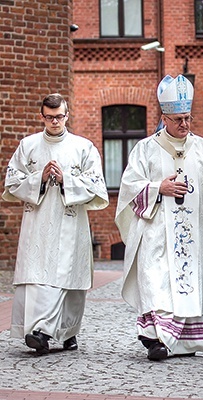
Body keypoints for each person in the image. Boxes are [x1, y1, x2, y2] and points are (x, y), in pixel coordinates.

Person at [115, 74, 203, 361]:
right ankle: (157, 339)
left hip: (194, 235)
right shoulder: (145, 149)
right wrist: (160, 187)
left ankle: (178, 343)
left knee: (188, 283)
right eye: (178, 119)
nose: (185, 124)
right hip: (156, 232)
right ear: (164, 118)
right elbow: (129, 188)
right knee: (156, 282)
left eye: (188, 118)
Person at [3, 93, 109, 355]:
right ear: (42, 117)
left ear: (67, 115)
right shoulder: (28, 146)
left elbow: (97, 186)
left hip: (69, 223)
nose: (54, 122)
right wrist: (39, 177)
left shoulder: (83, 147)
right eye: (49, 117)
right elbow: (12, 182)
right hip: (38, 222)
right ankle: (39, 331)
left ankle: (67, 332)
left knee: (66, 278)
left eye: (59, 116)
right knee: (40, 278)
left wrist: (66, 181)